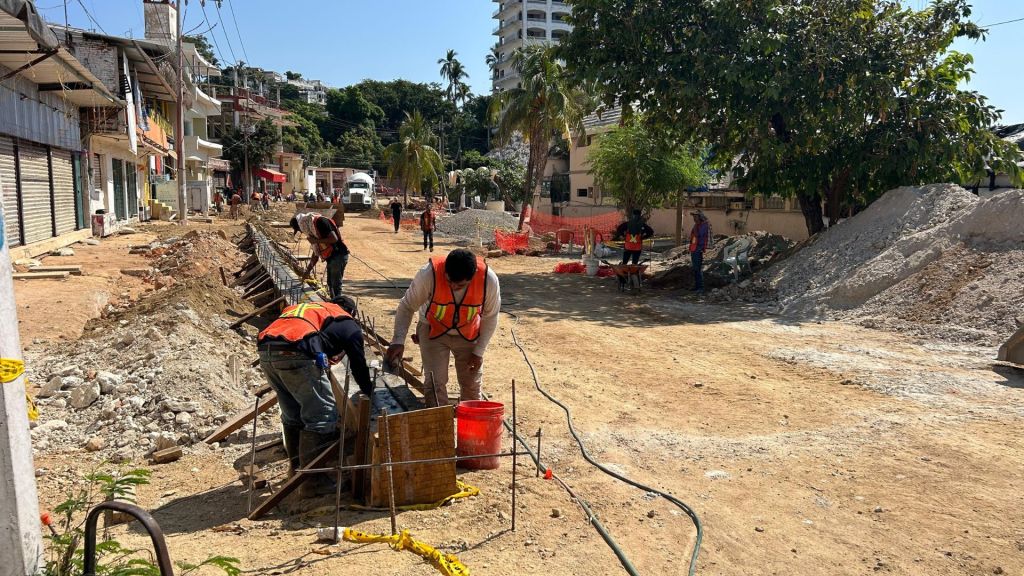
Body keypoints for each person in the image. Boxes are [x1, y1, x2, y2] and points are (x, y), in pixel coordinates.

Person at [257, 296, 374, 496]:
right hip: (297, 353)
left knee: (293, 414)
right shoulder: (348, 323)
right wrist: (369, 391)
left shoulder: (310, 309)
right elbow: (358, 364)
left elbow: (312, 336)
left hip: (267, 351)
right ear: (351, 313)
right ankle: (313, 481)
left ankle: (296, 472)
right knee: (323, 415)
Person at [386, 249, 500, 407]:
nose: (453, 286)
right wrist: (398, 340)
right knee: (435, 384)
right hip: (433, 330)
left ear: (473, 275)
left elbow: (491, 316)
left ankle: (470, 427)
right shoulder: (429, 274)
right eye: (449, 281)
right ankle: (440, 427)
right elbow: (407, 306)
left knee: (471, 385)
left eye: (460, 284)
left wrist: (478, 352)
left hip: (468, 333)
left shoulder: (488, 280)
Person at [290, 212, 350, 299]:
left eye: (300, 229)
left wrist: (315, 241)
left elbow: (334, 238)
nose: (303, 231)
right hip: (331, 258)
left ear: (301, 224)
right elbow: (316, 252)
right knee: (330, 284)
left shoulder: (320, 222)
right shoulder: (311, 229)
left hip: (338, 255)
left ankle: (338, 306)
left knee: (335, 285)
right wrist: (307, 271)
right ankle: (334, 302)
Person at [689, 210, 713, 294]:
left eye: (695, 216)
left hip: (698, 249)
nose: (694, 218)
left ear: (700, 217)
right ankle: (697, 286)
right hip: (694, 248)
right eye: (693, 217)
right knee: (695, 269)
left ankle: (700, 287)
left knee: (698, 269)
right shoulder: (697, 225)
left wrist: (699, 248)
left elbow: (699, 235)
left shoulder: (703, 225)